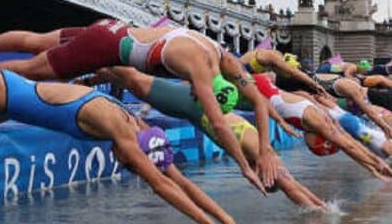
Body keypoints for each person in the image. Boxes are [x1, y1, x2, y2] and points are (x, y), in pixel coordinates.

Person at [0, 69, 263, 224]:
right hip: (2, 90)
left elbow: (180, 181)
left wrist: (228, 220)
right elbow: (161, 184)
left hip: (5, 109)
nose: (123, 165)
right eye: (130, 166)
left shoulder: (138, 125)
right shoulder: (121, 129)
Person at [0, 19, 278, 193]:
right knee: (28, 72)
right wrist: (245, 167)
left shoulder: (221, 56)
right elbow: (219, 123)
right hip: (104, 46)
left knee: (35, 41)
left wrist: (264, 149)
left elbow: (258, 102)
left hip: (110, 27)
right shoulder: (201, 69)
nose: (194, 94)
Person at [78, 67, 326, 209]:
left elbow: (293, 185)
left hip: (194, 105)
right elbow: (291, 186)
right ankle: (90, 70)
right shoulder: (263, 156)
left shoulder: (258, 153)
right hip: (193, 105)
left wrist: (321, 206)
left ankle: (90, 76)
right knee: (134, 80)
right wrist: (320, 215)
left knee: (134, 80)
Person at [252, 73, 392, 180]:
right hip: (261, 86)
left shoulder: (324, 119)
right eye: (312, 147)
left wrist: (373, 166)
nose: (308, 145)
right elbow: (349, 146)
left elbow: (350, 145)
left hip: (267, 88)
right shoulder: (320, 119)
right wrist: (374, 165)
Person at [315, 75, 392, 137]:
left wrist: (384, 127)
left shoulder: (348, 86)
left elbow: (370, 112)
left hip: (371, 96)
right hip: (363, 96)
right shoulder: (338, 85)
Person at [239, 48, 326, 95]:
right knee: (271, 77)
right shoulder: (272, 56)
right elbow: (293, 71)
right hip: (239, 75)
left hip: (239, 73)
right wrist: (314, 84)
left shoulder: (261, 52)